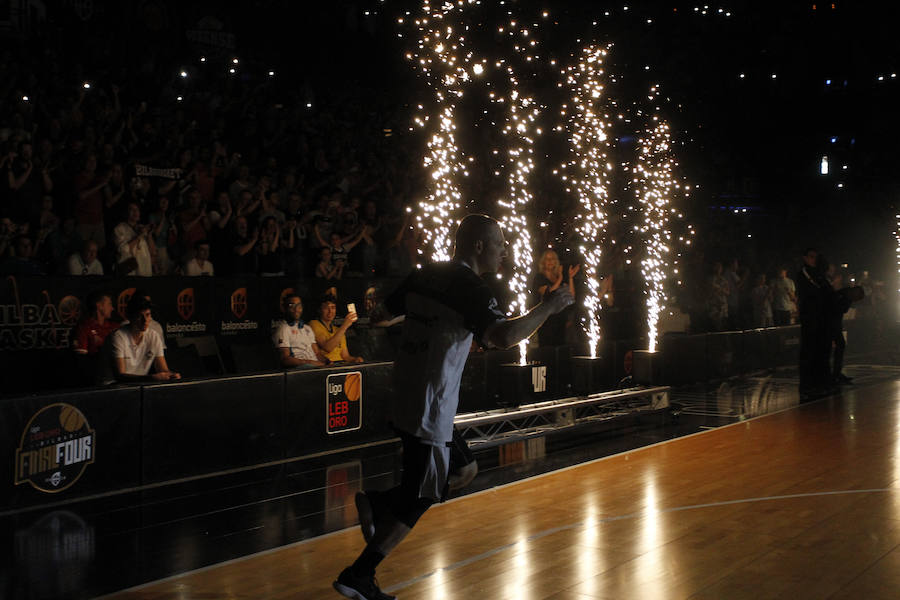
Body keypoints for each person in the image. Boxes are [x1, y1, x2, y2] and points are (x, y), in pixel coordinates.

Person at [333, 214, 574, 600]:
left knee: (465, 469)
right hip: (430, 403)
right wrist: (549, 307)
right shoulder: (472, 289)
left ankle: (377, 504)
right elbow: (504, 336)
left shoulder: (424, 275)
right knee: (423, 495)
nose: (503, 251)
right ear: (478, 246)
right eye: (498, 244)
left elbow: (379, 316)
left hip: (406, 392)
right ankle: (359, 575)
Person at [107, 297, 180, 382]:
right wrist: (151, 378)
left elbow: (163, 369)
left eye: (148, 315)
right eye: (139, 316)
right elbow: (120, 377)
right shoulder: (118, 336)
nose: (145, 320)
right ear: (130, 317)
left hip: (138, 386)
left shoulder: (154, 336)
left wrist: (171, 375)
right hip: (109, 387)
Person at [796, 248, 829, 397]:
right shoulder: (803, 273)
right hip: (809, 317)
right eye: (811, 257)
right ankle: (806, 385)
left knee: (818, 351)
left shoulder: (818, 274)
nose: (814, 260)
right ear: (805, 258)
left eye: (816, 257)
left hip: (819, 316)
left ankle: (817, 382)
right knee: (808, 351)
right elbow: (812, 291)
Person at [531, 249, 579, 346]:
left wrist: (570, 278)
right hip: (546, 320)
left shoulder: (558, 277)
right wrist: (561, 277)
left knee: (560, 347)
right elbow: (549, 292)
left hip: (560, 319)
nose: (549, 261)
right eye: (547, 259)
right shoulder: (539, 277)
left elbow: (571, 296)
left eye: (552, 259)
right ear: (543, 261)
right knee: (548, 348)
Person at [272, 294, 327, 368]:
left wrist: (327, 362)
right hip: (299, 370)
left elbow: (317, 353)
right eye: (292, 306)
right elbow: (285, 359)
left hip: (315, 368)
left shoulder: (307, 328)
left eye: (299, 306)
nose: (296, 309)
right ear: (285, 308)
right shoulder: (283, 329)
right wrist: (310, 362)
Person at [311, 295, 364, 364]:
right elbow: (327, 348)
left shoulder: (337, 330)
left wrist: (355, 359)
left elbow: (345, 356)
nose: (330, 311)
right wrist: (345, 325)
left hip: (341, 364)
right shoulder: (314, 324)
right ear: (319, 310)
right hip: (328, 365)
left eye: (333, 307)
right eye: (326, 308)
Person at [112, 202, 154, 276]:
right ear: (126, 212)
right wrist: (140, 236)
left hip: (145, 270)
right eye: (132, 209)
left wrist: (149, 234)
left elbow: (152, 251)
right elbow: (123, 250)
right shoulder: (120, 228)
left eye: (137, 210)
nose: (135, 212)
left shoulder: (141, 228)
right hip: (131, 272)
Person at [72, 291, 119, 356]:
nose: (112, 308)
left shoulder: (115, 327)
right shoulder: (85, 327)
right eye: (109, 304)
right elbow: (81, 359)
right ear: (99, 305)